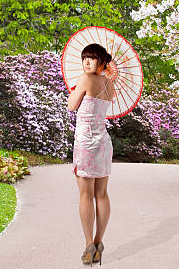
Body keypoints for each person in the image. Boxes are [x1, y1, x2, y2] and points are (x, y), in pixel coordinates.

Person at [67, 43, 115, 266]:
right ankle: (99, 243)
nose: (87, 62)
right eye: (85, 57)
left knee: (86, 195)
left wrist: (76, 88)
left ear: (102, 62)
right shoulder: (110, 84)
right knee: (102, 194)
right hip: (103, 142)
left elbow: (71, 105)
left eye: (92, 58)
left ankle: (89, 244)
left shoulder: (85, 79)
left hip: (86, 142)